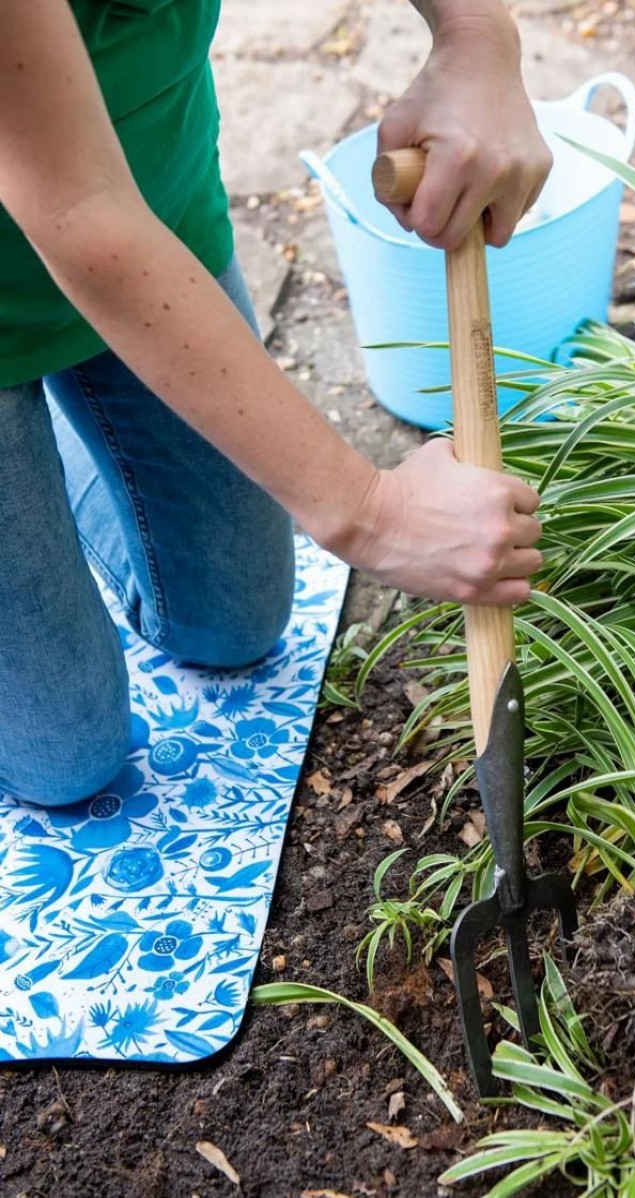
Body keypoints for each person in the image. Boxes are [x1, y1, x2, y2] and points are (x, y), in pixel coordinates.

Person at [0, 0, 552, 807]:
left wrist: (476, 38)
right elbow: (76, 211)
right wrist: (372, 513)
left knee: (233, 624)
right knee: (67, 758)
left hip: (149, 223)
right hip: (82, 219)